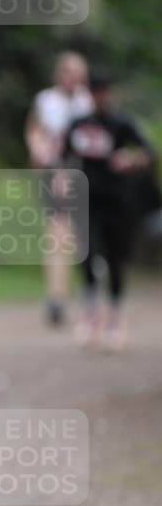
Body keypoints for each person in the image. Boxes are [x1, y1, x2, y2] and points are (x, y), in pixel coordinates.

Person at [62, 71, 156, 351]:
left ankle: (115, 316)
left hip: (118, 200)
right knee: (87, 253)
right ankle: (91, 312)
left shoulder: (122, 123)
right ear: (89, 94)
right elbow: (64, 155)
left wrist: (132, 159)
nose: (102, 97)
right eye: (97, 91)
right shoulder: (78, 124)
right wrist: (62, 176)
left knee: (114, 258)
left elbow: (148, 153)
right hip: (87, 198)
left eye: (106, 91)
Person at [25, 51, 93, 327]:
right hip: (55, 173)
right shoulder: (46, 100)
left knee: (84, 238)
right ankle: (57, 297)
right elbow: (34, 130)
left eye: (77, 71)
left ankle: (89, 292)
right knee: (57, 234)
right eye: (67, 70)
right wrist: (39, 152)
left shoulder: (89, 103)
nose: (72, 76)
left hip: (85, 175)